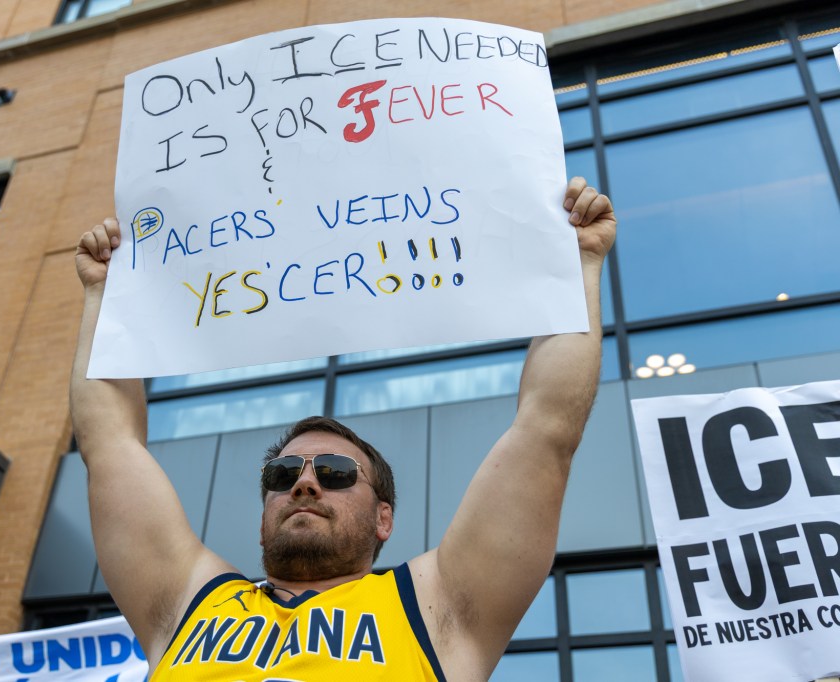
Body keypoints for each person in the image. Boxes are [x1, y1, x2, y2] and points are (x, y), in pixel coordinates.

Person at [70, 176, 616, 680]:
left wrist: (579, 266)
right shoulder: (188, 602)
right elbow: (110, 444)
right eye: (282, 475)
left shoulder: (437, 605)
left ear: (384, 518)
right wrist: (105, 297)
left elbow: (544, 429)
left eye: (334, 473)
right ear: (263, 515)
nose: (303, 483)